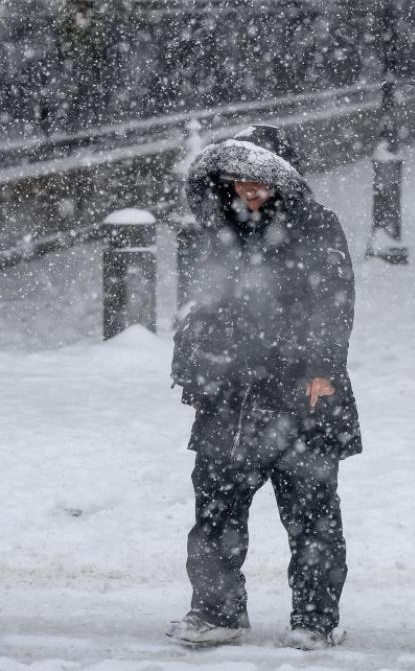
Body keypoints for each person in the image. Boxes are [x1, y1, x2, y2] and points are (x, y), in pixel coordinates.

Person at [167, 132, 361, 650]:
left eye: (258, 180)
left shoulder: (316, 227)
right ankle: (216, 612)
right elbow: (194, 307)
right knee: (215, 514)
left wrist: (321, 367)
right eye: (238, 181)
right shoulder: (211, 232)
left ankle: (315, 619)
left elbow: (334, 300)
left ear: (282, 179)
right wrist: (193, 370)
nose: (248, 190)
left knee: (312, 514)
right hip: (228, 399)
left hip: (301, 396)